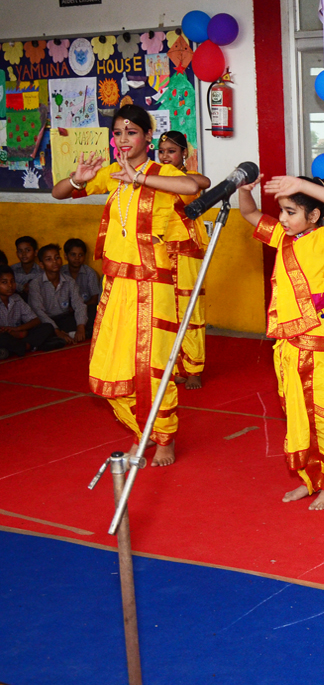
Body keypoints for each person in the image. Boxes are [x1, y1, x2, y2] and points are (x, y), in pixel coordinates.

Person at [51, 104, 201, 467]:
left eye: (131, 132)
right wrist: (78, 179)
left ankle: (164, 438)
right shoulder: (112, 173)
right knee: (110, 366)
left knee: (151, 366)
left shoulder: (161, 172)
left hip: (152, 285)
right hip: (116, 285)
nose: (123, 139)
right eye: (117, 133)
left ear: (148, 136)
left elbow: (195, 185)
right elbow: (58, 192)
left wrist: (141, 179)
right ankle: (142, 431)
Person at [238, 174, 324, 510]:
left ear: (314, 215)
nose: (283, 219)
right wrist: (243, 191)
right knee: (298, 416)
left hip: (318, 345)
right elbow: (249, 213)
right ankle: (310, 479)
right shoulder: (283, 238)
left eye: (290, 212)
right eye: (282, 211)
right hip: (288, 345)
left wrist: (301, 187)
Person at [158, 131, 212, 389]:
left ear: (184, 154)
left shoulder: (188, 178)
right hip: (160, 250)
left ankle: (193, 368)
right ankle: (174, 366)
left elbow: (205, 182)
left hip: (187, 251)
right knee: (166, 310)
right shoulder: (154, 177)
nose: (165, 156)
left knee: (190, 309)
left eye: (171, 151)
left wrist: (170, 175)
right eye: (161, 151)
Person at [26, 244, 89, 345]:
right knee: (45, 329)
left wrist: (80, 327)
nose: (54, 262)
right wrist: (57, 331)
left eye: (57, 258)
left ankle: (66, 336)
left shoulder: (69, 281)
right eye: (49, 259)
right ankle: (61, 337)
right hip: (46, 322)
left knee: (88, 316)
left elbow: (79, 305)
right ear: (41, 264)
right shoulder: (36, 284)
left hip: (64, 319)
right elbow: (38, 312)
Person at [0, 265, 57, 359]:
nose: (10, 285)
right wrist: (15, 334)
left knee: (47, 327)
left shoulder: (16, 298)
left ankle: (15, 349)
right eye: (4, 282)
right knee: (2, 338)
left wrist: (18, 329)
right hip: (6, 337)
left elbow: (36, 320)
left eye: (12, 281)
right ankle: (29, 346)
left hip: (18, 334)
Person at [62, 238, 101, 331]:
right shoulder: (61, 272)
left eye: (80, 255)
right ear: (66, 256)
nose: (77, 258)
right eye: (73, 254)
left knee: (93, 311)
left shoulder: (90, 273)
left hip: (85, 307)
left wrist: (80, 307)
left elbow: (94, 299)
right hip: (67, 310)